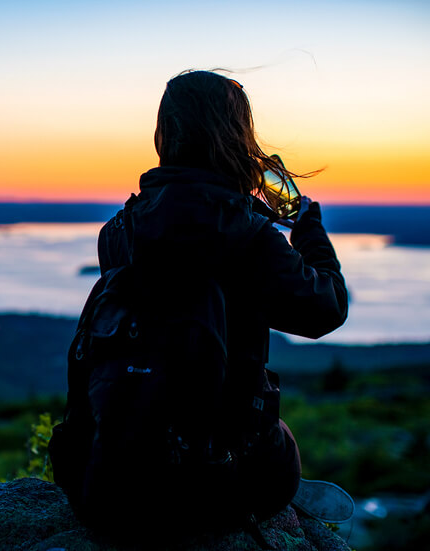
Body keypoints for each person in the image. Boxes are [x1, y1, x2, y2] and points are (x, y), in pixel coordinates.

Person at [92, 70, 350, 531]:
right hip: (215, 484)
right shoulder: (249, 238)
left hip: (111, 479)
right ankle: (279, 488)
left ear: (164, 133)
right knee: (282, 442)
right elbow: (326, 309)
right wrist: (307, 227)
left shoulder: (120, 230)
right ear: (237, 137)